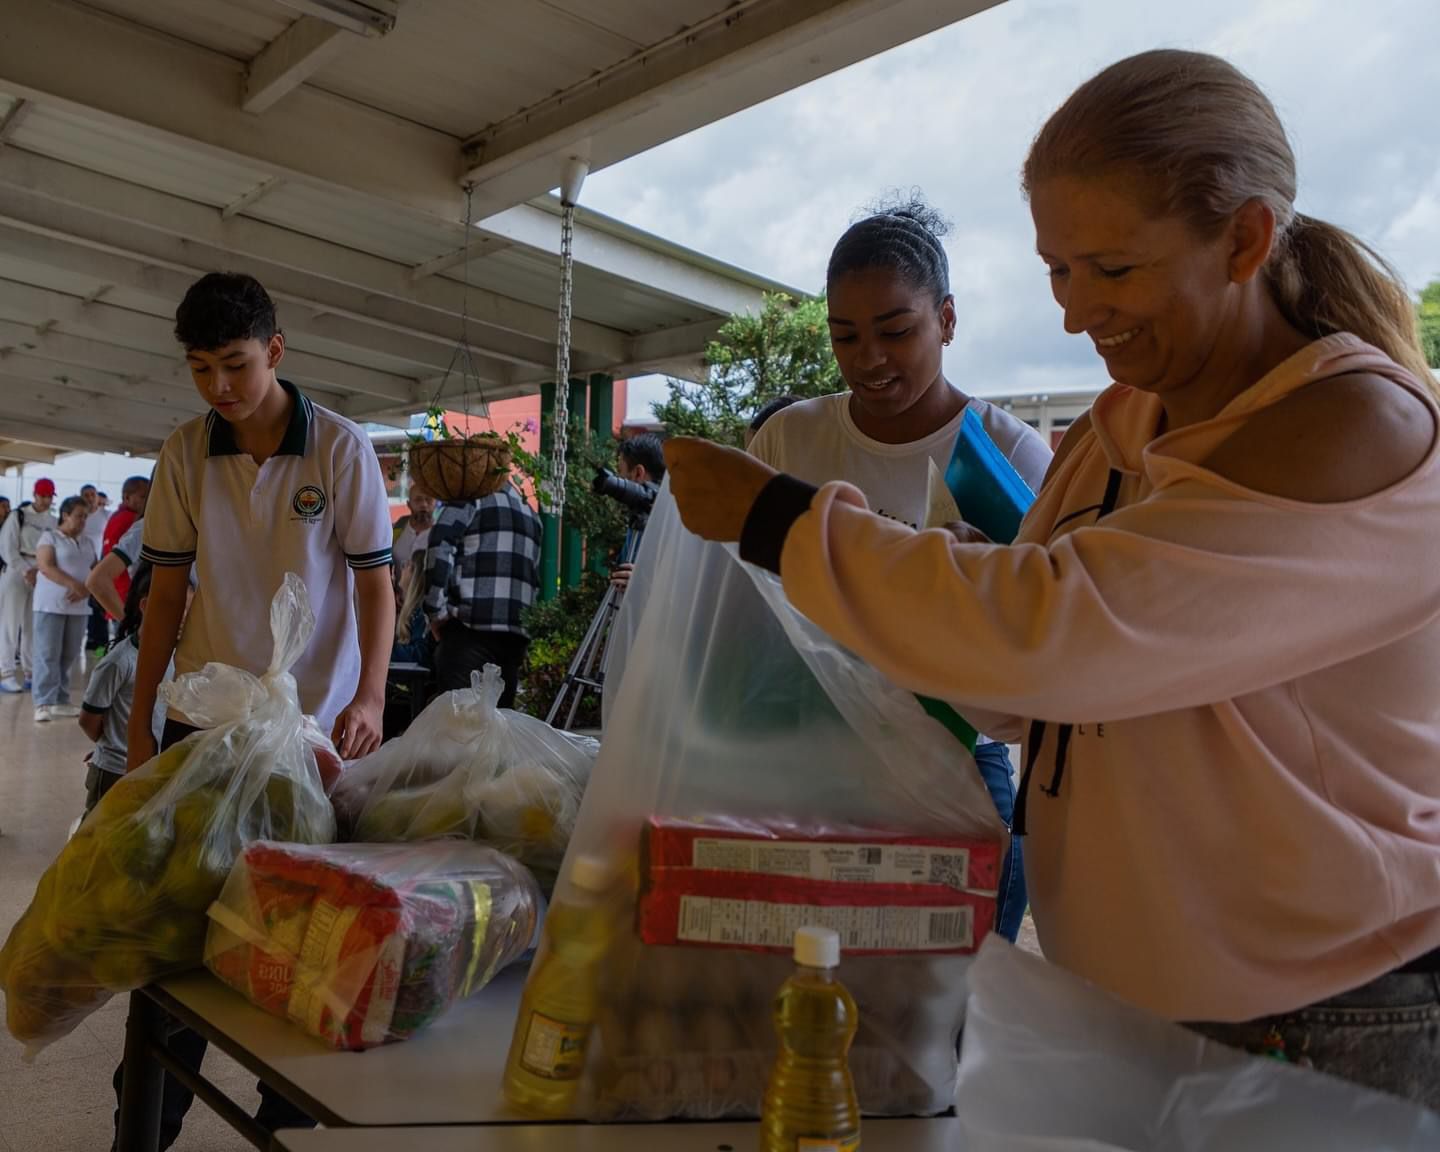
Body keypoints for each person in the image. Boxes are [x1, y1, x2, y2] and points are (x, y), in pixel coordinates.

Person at [664, 49, 1440, 1108]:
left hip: (1323, 1011)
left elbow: (1058, 635)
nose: (1078, 313)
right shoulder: (1119, 431)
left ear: (1246, 240)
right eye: (1057, 272)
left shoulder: (1352, 426)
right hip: (1147, 1003)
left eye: (1113, 270)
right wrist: (943, 588)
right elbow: (1016, 688)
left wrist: (780, 521)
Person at [116, 271, 394, 1147]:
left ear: (275, 351)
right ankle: (147, 1121)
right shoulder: (185, 454)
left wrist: (371, 694)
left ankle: (286, 1121)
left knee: (305, 929)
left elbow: (376, 586)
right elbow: (164, 597)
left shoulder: (341, 450)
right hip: (204, 720)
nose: (220, 389)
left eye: (234, 365)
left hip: (310, 733)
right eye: (200, 370)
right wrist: (137, 724)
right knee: (185, 923)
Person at [747, 197, 1052, 943]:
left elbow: (1044, 641)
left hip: (956, 767)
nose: (869, 359)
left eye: (896, 330)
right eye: (844, 336)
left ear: (946, 320)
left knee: (952, 1009)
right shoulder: (792, 438)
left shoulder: (1012, 455)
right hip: (805, 757)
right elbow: (740, 596)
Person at [421, 471, 542, 710]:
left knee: (459, 727)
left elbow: (439, 552)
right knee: (497, 728)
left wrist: (436, 613)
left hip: (468, 632)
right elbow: (533, 579)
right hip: (514, 638)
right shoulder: (531, 515)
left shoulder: (469, 501)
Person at [79, 562, 168, 816]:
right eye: (177, 609)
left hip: (150, 767)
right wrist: (112, 745)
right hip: (113, 771)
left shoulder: (176, 655)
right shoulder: (119, 661)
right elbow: (88, 720)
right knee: (98, 839)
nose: (182, 617)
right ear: (145, 606)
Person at [32, 495, 97, 722]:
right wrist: (75, 585)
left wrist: (86, 589)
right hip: (50, 605)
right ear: (65, 515)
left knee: (68, 654)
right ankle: (43, 702)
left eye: (85, 517)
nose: (82, 521)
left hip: (78, 608)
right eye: (78, 516)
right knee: (47, 653)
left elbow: (95, 570)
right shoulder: (49, 537)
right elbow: (46, 566)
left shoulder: (87, 542)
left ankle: (60, 699)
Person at [0, 478, 58, 693]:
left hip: (42, 572)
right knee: (10, 623)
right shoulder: (19, 515)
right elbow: (7, 547)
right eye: (43, 496)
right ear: (35, 495)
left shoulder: (52, 521)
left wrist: (41, 570)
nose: (46, 500)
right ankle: (5, 672)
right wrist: (26, 570)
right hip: (16, 571)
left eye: (49, 496)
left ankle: (31, 671)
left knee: (33, 624)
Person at [604, 433, 666, 592]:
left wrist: (643, 583)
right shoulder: (638, 519)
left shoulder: (670, 525)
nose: (619, 479)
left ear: (638, 473)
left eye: (621, 471)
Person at [100, 474, 150, 614]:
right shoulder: (135, 521)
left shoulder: (114, 517)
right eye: (143, 497)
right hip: (129, 593)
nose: (148, 501)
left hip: (114, 592)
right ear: (127, 497)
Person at [80, 483, 112, 653]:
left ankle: (99, 644)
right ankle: (89, 640)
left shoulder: (106, 515)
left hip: (100, 565)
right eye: (86, 495)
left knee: (99, 606)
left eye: (93, 494)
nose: (90, 498)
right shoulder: (79, 516)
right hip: (79, 565)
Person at [391, 481, 437, 579]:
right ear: (409, 504)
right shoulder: (399, 526)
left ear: (435, 503)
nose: (424, 504)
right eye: (418, 500)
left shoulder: (440, 532)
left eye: (429, 500)